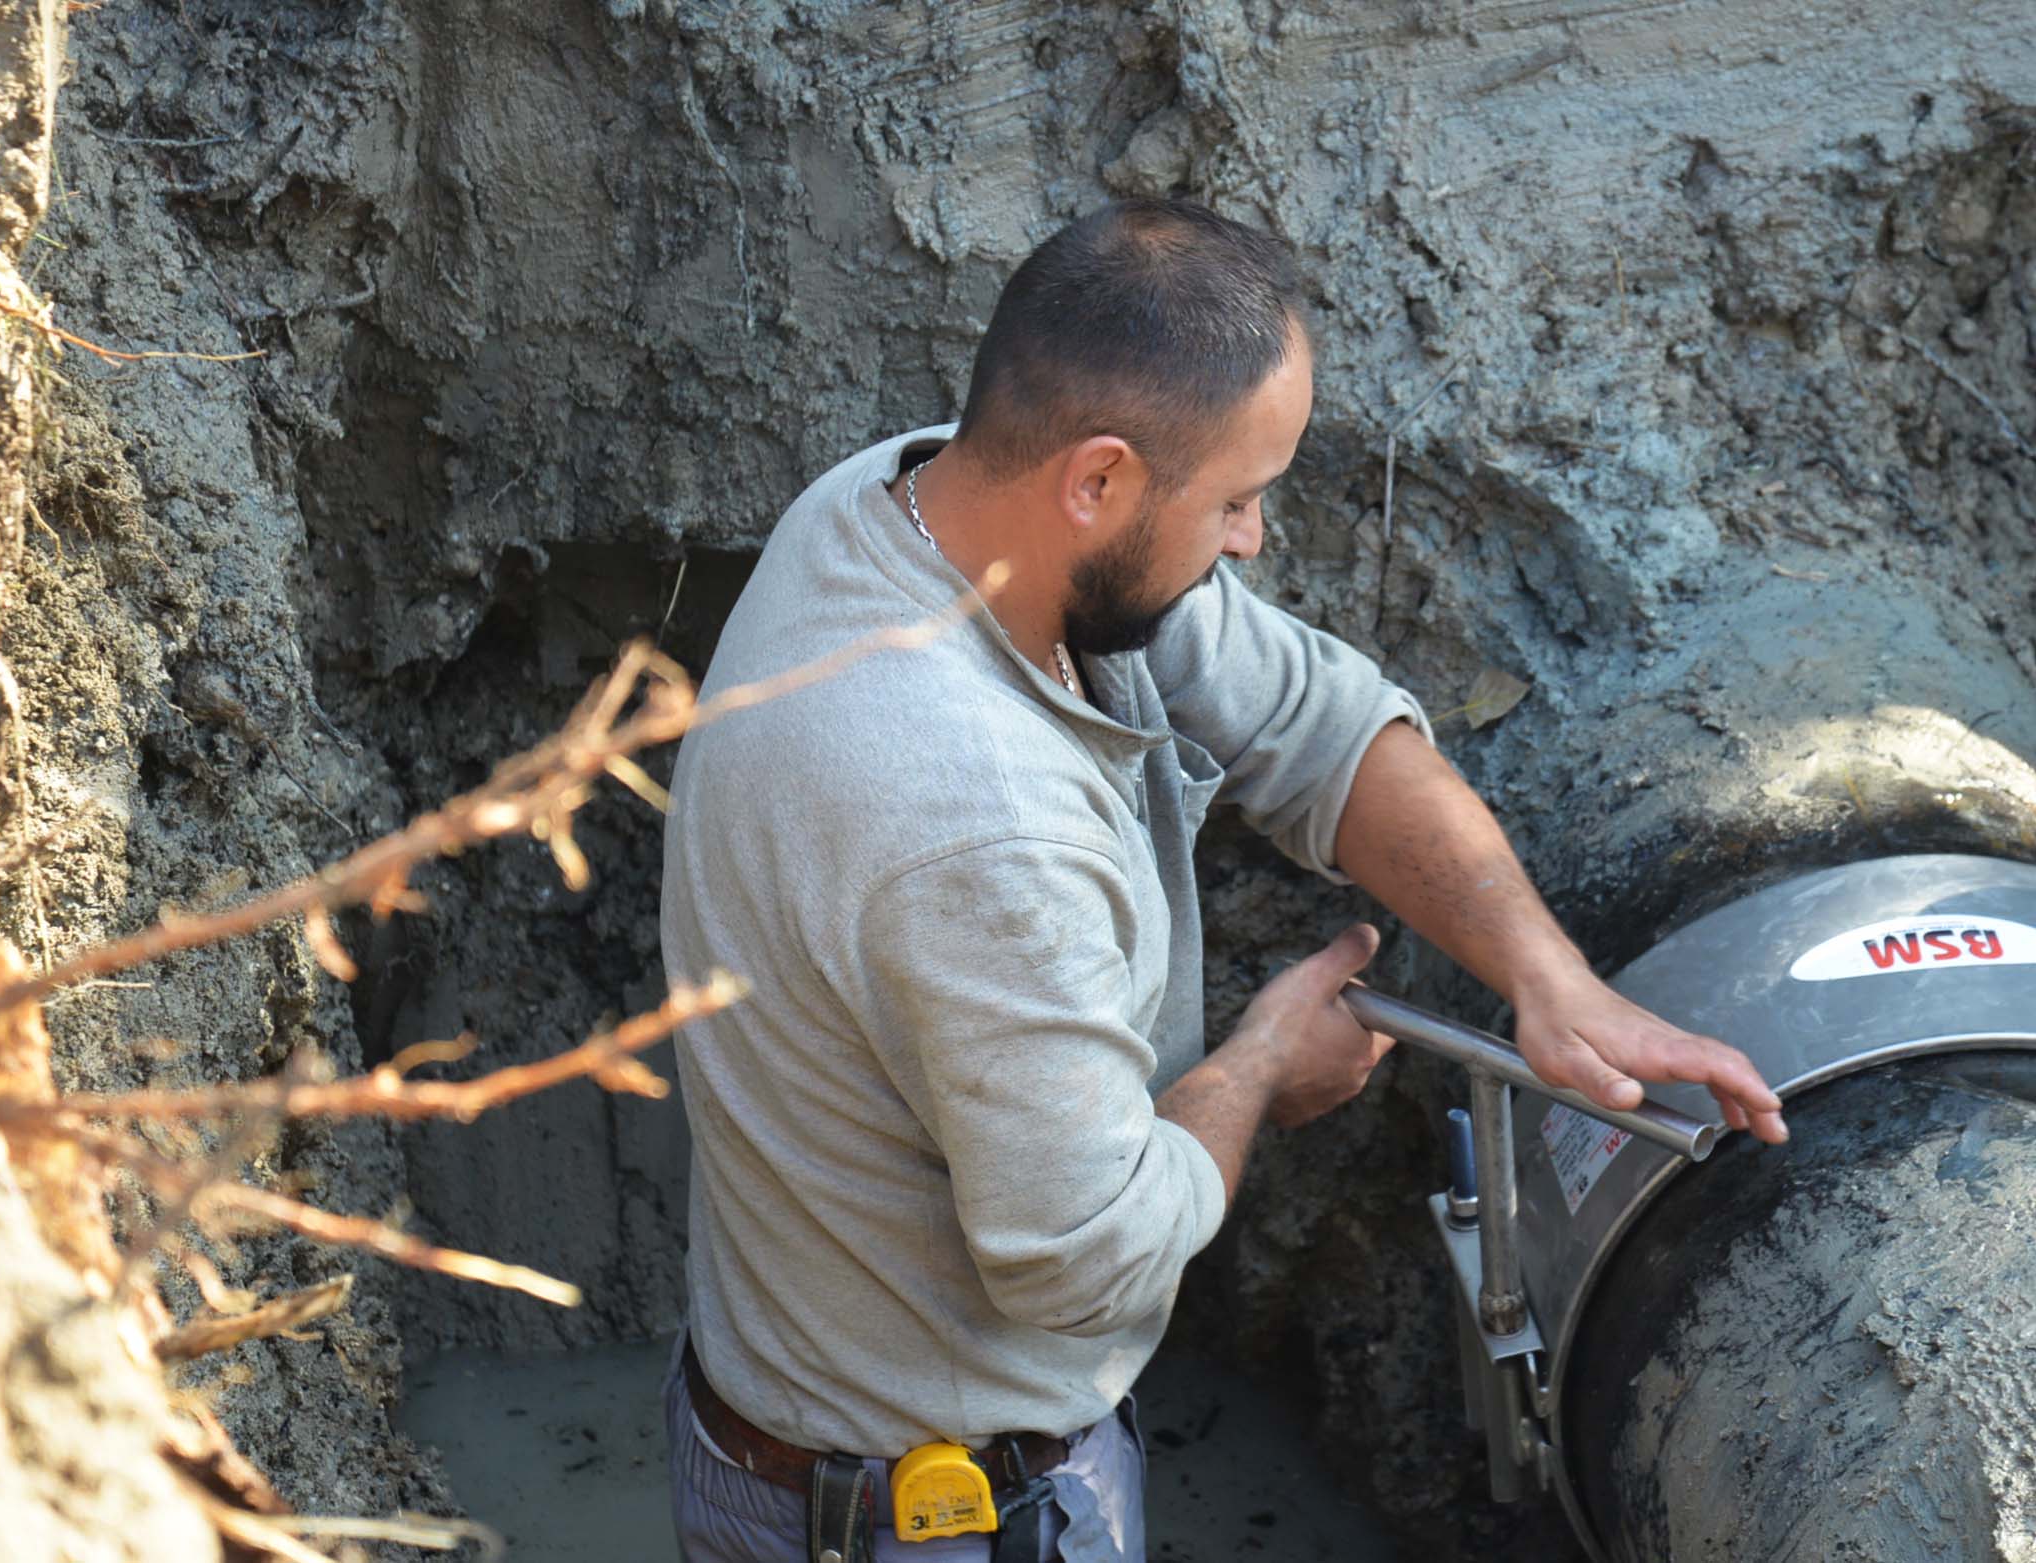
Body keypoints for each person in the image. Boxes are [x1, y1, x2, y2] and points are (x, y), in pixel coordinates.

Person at [655, 198, 1787, 1563]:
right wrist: (1257, 1070)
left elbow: (1323, 728)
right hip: (930, 1518)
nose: (1251, 540)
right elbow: (1085, 1259)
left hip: (834, 1443)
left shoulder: (902, 506)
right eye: (1236, 500)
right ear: (1098, 480)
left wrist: (1551, 984)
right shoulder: (972, 821)